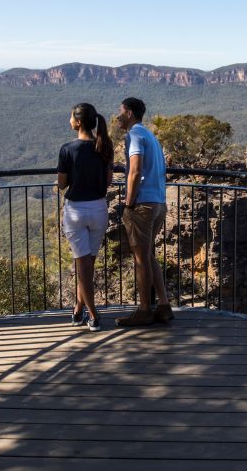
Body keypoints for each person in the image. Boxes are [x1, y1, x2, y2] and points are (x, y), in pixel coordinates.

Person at [115, 96, 174, 327]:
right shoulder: (150, 135)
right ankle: (164, 305)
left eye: (120, 111)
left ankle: (143, 310)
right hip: (159, 202)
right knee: (149, 255)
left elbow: (136, 170)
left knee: (141, 259)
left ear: (129, 113)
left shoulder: (134, 135)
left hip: (143, 205)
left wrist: (129, 203)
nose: (118, 116)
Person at [57, 102, 113, 332]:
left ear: (78, 122)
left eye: (71, 117)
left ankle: (93, 314)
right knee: (87, 265)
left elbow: (62, 184)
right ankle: (78, 310)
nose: (69, 120)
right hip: (99, 209)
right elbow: (108, 181)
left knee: (84, 267)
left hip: (76, 212)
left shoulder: (67, 149)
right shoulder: (104, 147)